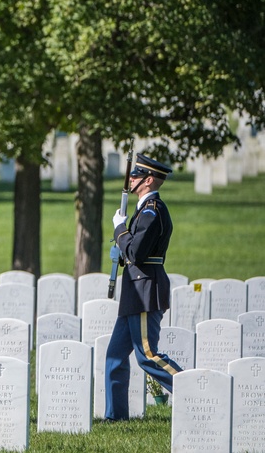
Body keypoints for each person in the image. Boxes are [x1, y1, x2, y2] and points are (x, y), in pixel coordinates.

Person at [104, 153, 182, 421]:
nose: (130, 180)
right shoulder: (145, 210)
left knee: (147, 355)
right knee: (115, 356)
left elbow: (136, 253)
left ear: (148, 180)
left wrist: (119, 230)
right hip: (135, 290)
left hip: (146, 289)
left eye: (135, 176)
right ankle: (116, 416)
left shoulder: (151, 212)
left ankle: (191, 389)